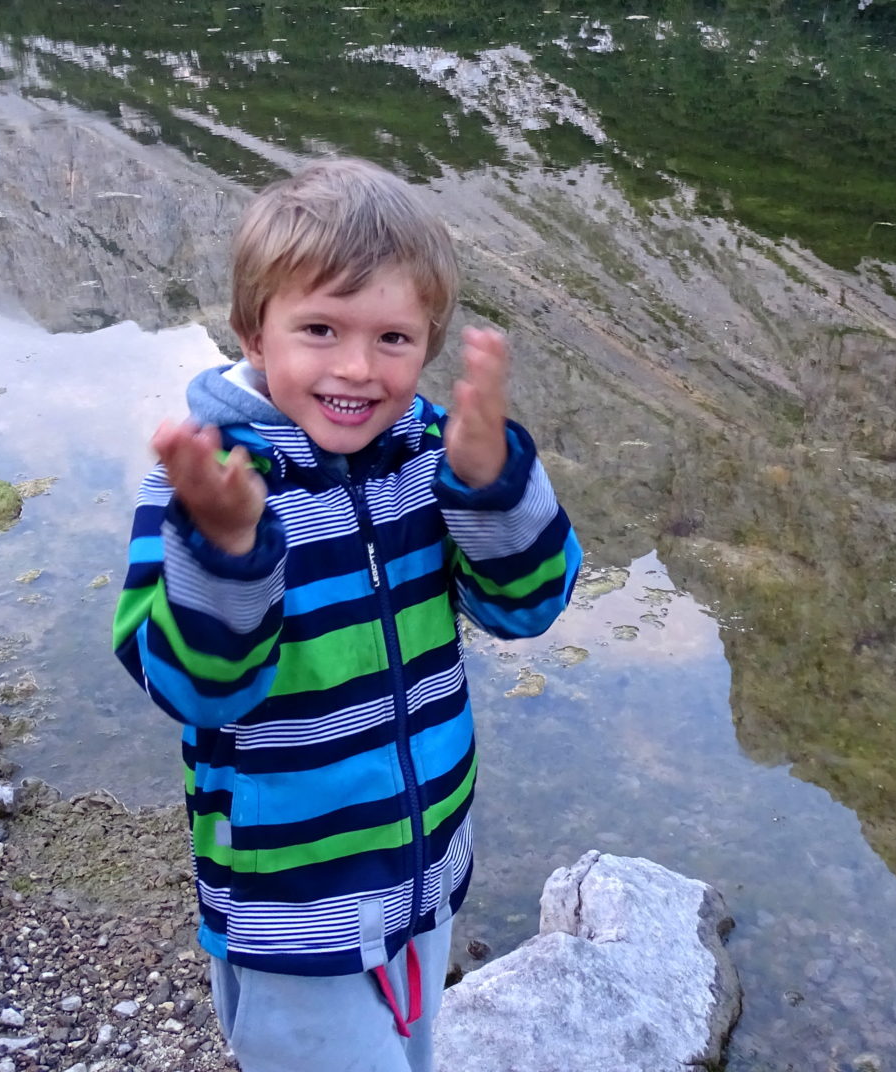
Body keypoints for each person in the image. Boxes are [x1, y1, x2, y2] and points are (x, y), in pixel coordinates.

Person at [112, 158, 583, 1072]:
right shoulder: (215, 488)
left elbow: (528, 610)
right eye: (320, 329)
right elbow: (194, 691)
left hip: (427, 867)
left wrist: (490, 486)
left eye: (394, 339)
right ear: (255, 330)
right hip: (292, 901)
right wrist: (230, 553)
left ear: (431, 341)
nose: (358, 369)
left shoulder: (426, 459)